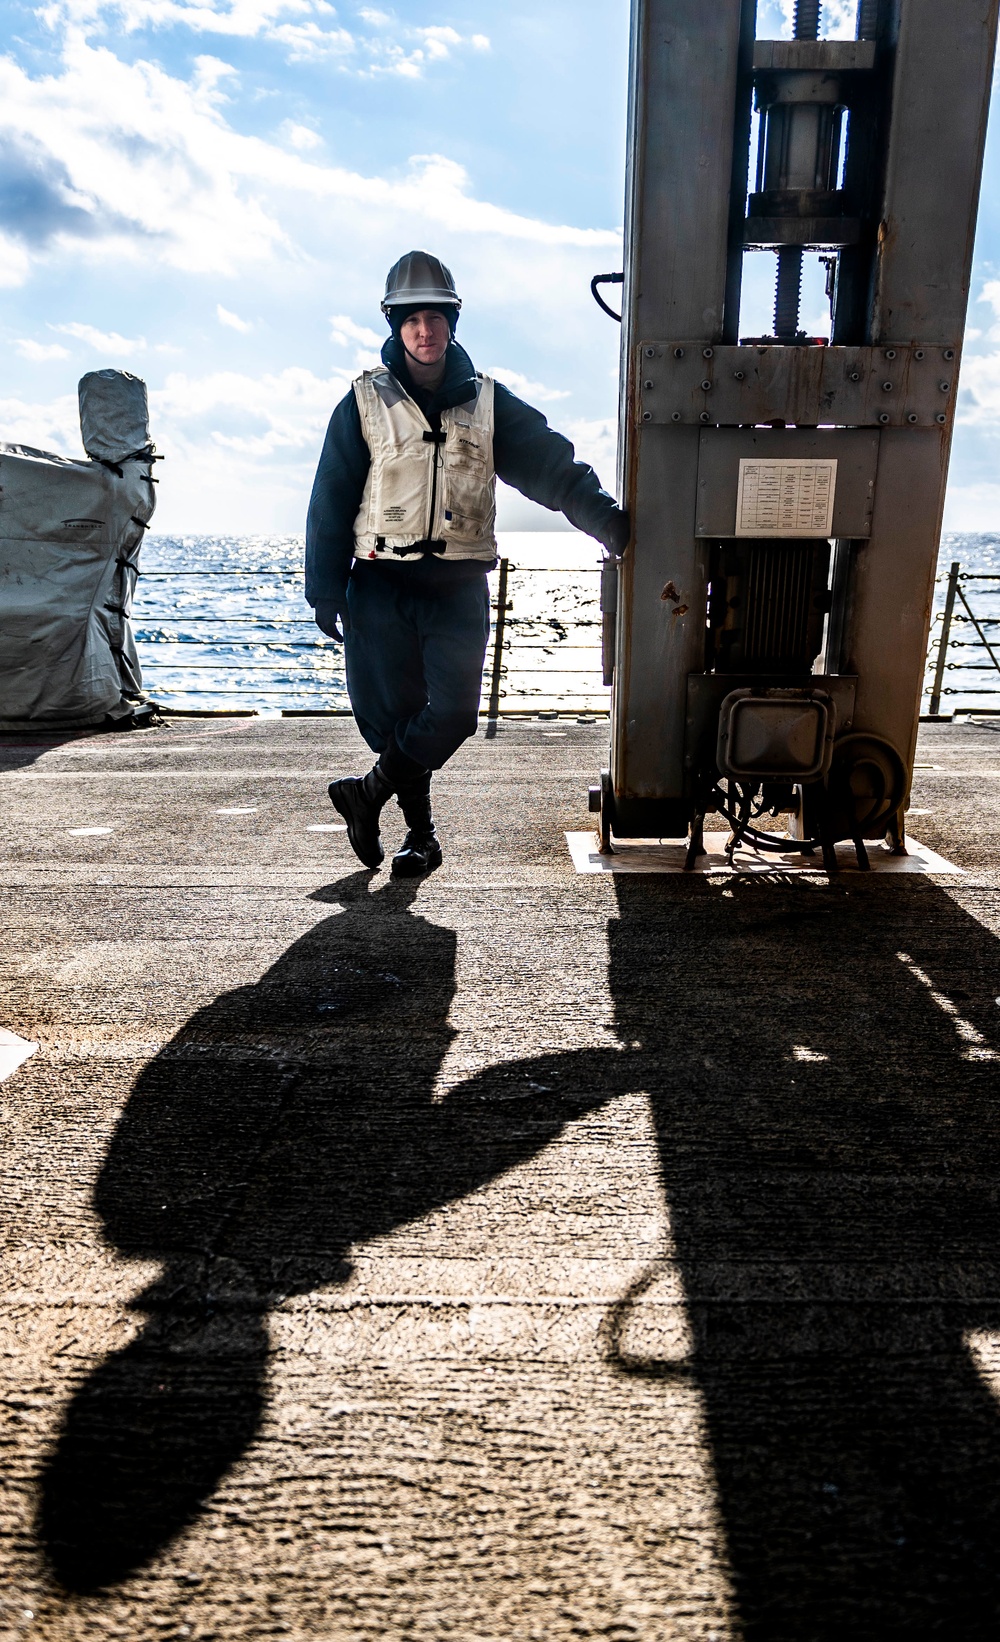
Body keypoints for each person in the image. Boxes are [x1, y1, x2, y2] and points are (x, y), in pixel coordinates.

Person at [305, 250, 629, 877]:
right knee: (392, 718)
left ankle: (366, 794)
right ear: (395, 326)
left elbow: (552, 466)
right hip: (379, 582)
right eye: (411, 319)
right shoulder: (362, 404)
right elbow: (330, 496)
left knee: (453, 713)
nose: (424, 330)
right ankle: (420, 837)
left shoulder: (488, 402)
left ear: (453, 322)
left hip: (456, 586)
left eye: (436, 317)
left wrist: (609, 522)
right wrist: (325, 589)